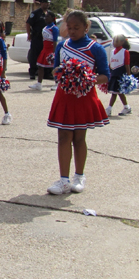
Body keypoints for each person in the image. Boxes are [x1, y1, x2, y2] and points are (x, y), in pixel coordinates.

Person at [46, 11, 110, 195]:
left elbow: (105, 75)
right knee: (63, 137)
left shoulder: (95, 48)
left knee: (79, 138)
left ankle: (79, 176)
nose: (72, 31)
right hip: (64, 96)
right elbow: (55, 71)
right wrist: (64, 74)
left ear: (86, 28)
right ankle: (63, 180)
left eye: (77, 28)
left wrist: (85, 78)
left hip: (84, 96)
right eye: (69, 27)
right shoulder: (62, 46)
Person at [28, 11, 58, 91]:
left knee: (53, 67)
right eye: (45, 16)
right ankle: (39, 84)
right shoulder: (45, 28)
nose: (46, 18)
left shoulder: (54, 28)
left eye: (48, 17)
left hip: (50, 49)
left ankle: (57, 83)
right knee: (40, 66)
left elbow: (55, 41)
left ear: (52, 18)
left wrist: (54, 53)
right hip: (44, 49)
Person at [106, 34, 132, 116]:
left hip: (120, 74)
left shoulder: (125, 51)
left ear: (122, 42)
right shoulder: (112, 51)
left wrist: (129, 76)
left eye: (116, 41)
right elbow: (111, 63)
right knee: (118, 92)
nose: (114, 43)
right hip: (113, 73)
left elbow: (127, 64)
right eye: (114, 41)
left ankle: (109, 109)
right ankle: (126, 107)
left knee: (116, 92)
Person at [26, 0, 51, 80]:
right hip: (37, 37)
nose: (47, 4)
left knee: (46, 55)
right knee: (34, 55)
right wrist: (29, 34)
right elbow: (28, 23)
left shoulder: (50, 14)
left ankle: (47, 73)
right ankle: (32, 72)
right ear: (41, 3)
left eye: (48, 3)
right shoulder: (36, 13)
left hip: (47, 39)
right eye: (45, 3)